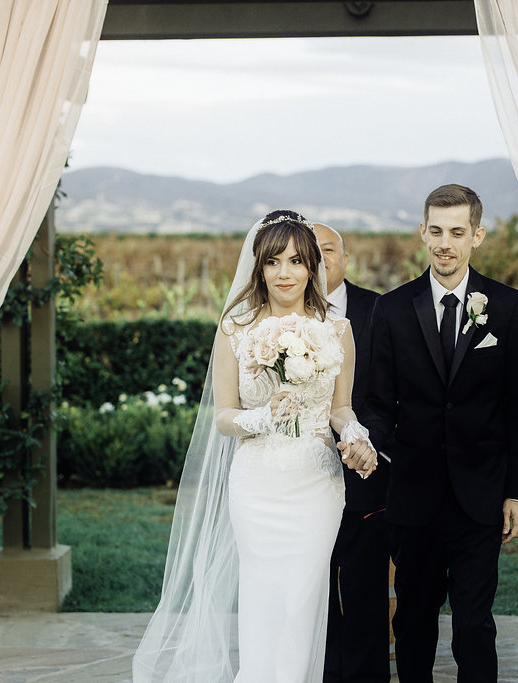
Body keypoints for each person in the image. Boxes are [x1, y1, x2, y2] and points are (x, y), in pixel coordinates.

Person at [132, 210, 377, 683]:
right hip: (257, 484)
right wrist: (264, 416)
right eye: (273, 262)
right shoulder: (235, 328)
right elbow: (223, 416)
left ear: (313, 268)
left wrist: (356, 437)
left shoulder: (337, 330)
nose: (284, 273)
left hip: (316, 485)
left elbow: (340, 408)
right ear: (258, 267)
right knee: (263, 598)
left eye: (296, 262)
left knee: (303, 599)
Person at [358, 184, 518, 682]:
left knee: (474, 624)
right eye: (435, 230)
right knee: (413, 618)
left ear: (477, 235)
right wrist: (366, 440)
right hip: (412, 496)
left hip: (481, 495)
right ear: (422, 233)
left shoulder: (508, 307)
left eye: (457, 232)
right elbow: (377, 402)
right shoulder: (390, 310)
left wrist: (517, 492)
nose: (445, 242)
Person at [314, 223, 389, 683]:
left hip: (364, 474)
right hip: (298, 477)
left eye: (328, 251)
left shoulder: (380, 311)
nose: (320, 263)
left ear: (346, 257)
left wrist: (366, 443)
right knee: (309, 588)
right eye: (310, 254)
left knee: (363, 589)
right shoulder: (277, 317)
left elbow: (389, 395)